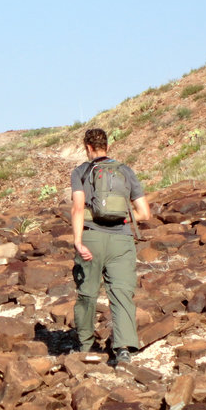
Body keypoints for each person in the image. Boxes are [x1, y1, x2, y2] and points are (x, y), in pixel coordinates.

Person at [70, 128, 150, 364]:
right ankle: (123, 349)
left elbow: (77, 208)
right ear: (107, 146)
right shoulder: (125, 171)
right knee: (122, 293)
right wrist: (123, 219)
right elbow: (145, 214)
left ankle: (85, 346)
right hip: (122, 241)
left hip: (92, 238)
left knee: (87, 293)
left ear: (87, 148)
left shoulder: (81, 171)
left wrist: (77, 241)